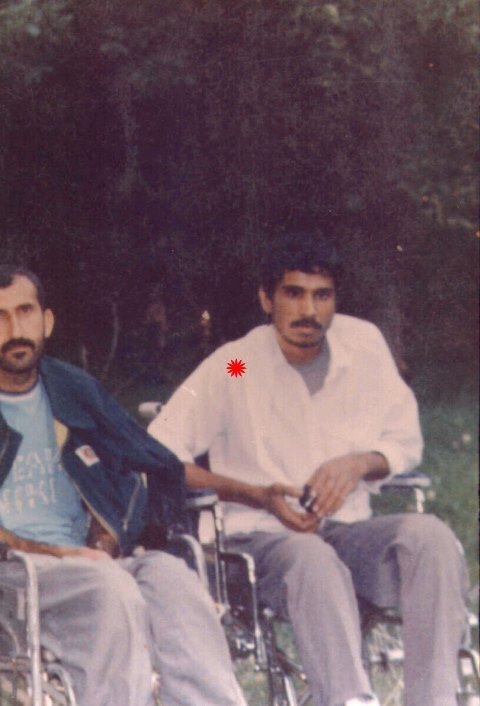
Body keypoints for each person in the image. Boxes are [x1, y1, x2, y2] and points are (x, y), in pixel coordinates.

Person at [0, 265, 247, 706]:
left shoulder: (75, 390)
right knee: (108, 589)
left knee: (174, 580)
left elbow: (132, 470)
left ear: (47, 320)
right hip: (3, 573)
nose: (16, 329)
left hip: (88, 562)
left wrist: (105, 540)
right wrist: (63, 555)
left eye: (25, 311)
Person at [148, 232, 469, 706]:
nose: (309, 311)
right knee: (311, 558)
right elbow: (159, 455)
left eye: (322, 296)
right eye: (293, 294)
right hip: (260, 540)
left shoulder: (363, 347)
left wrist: (361, 462)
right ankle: (349, 699)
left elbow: (404, 441)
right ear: (267, 299)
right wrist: (256, 494)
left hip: (348, 532)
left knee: (431, 540)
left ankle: (436, 699)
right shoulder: (237, 366)